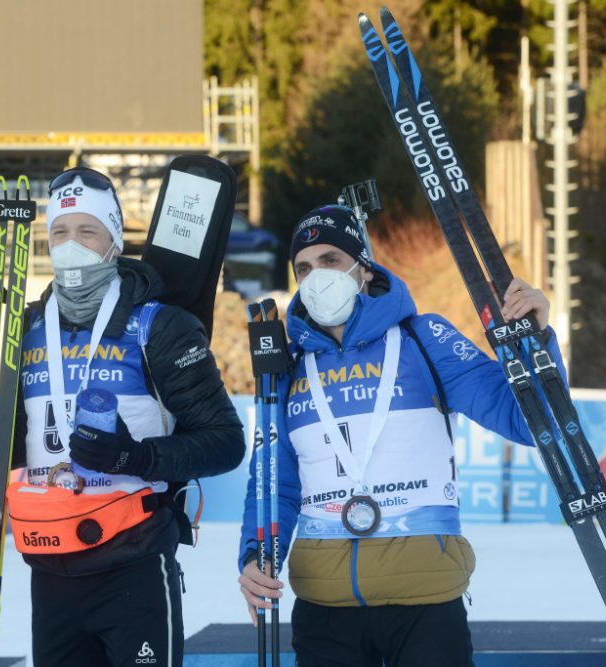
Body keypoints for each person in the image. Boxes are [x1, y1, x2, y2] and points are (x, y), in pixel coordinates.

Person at [236, 204, 565, 666]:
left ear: (363, 269)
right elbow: (275, 483)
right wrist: (254, 555)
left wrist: (536, 342)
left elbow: (529, 423)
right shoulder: (287, 366)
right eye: (303, 267)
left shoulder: (422, 338)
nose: (316, 276)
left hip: (424, 604)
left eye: (330, 260)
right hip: (324, 610)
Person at [7, 167, 246, 667]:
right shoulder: (23, 328)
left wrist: (135, 456)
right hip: (49, 564)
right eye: (60, 232)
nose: (71, 243)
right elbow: (9, 442)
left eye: (87, 230)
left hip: (131, 562)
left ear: (114, 241)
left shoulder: (159, 326)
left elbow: (225, 441)